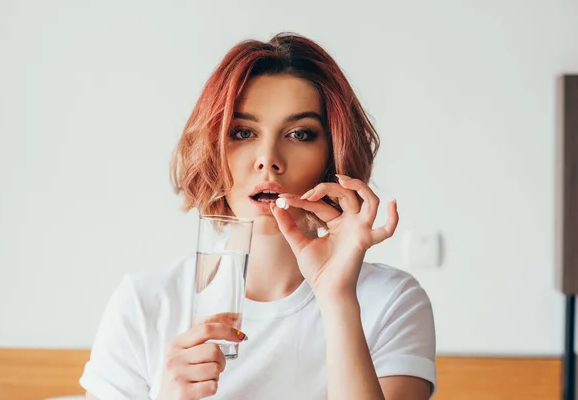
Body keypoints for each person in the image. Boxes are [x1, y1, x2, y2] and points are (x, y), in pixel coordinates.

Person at [80, 32, 436, 400]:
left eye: (300, 134)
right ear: (213, 148)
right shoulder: (145, 304)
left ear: (332, 155)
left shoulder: (392, 302)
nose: (268, 158)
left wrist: (336, 295)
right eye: (242, 132)